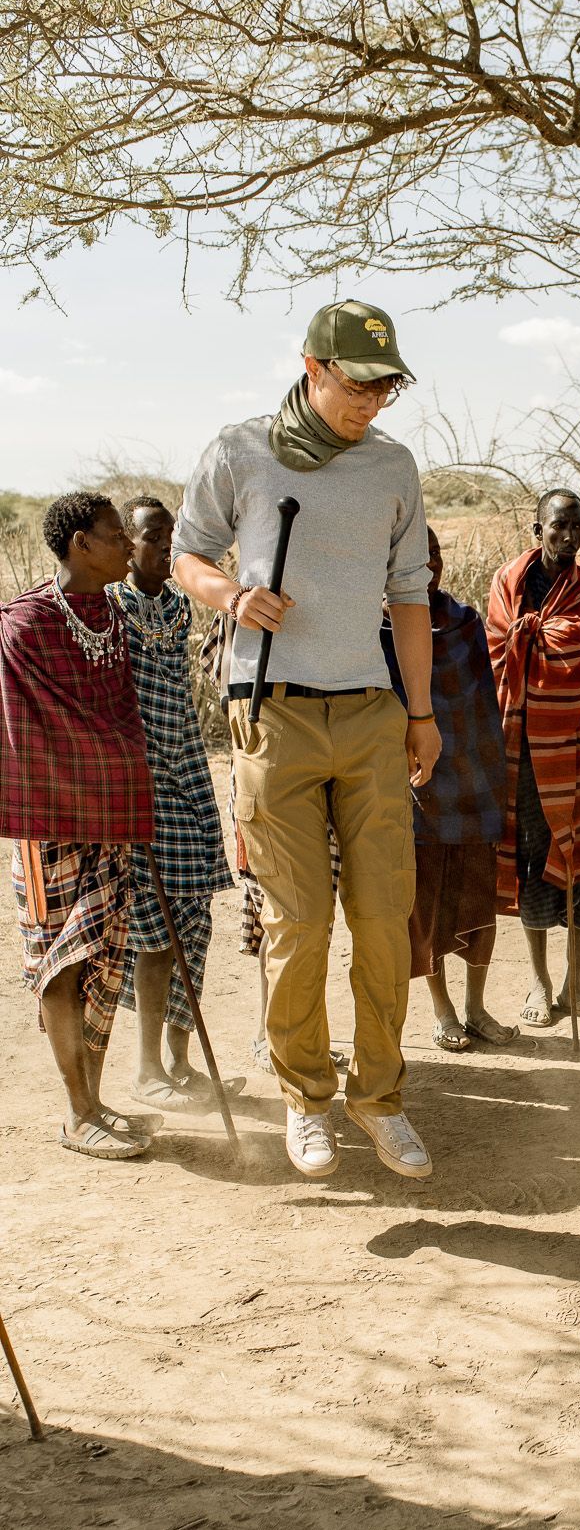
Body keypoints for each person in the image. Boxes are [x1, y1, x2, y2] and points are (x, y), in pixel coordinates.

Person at [173, 299, 440, 1180]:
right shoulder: (239, 451)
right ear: (311, 366)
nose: (373, 399)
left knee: (382, 920)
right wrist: (231, 599)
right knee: (297, 921)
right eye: (359, 382)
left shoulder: (393, 465)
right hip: (271, 709)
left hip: (368, 710)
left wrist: (421, 713)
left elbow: (408, 597)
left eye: (387, 384)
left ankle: (381, 1100)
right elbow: (188, 554)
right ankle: (304, 1097)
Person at [1, 494, 161, 1158]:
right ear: (77, 545)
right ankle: (76, 1114)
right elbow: (27, 735)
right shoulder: (25, 626)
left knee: (101, 960)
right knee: (61, 966)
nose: (127, 544)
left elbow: (122, 714)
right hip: (52, 822)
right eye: (113, 534)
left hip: (110, 817)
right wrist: (114, 765)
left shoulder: (111, 616)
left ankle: (94, 1103)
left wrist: (129, 778)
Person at [108, 498, 235, 1104]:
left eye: (171, 538)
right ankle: (146, 1071)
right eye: (153, 538)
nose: (164, 548)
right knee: (153, 935)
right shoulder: (111, 611)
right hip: (141, 789)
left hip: (187, 776)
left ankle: (182, 1065)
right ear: (127, 545)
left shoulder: (179, 607)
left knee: (194, 926)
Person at [485, 491, 580, 1030]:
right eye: (558, 526)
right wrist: (540, 646)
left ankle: (575, 984)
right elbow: (496, 651)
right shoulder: (507, 586)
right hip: (523, 750)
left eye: (577, 527)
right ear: (537, 529)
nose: (569, 537)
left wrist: (558, 657)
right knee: (533, 864)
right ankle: (539, 983)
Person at [383, 526, 515, 1052]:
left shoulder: (465, 623)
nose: (429, 566)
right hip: (417, 787)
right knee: (428, 903)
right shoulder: (379, 627)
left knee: (478, 897)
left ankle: (478, 1006)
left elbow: (486, 701)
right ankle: (443, 1011)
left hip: (474, 780)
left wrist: (496, 778)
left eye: (434, 556)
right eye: (418, 558)